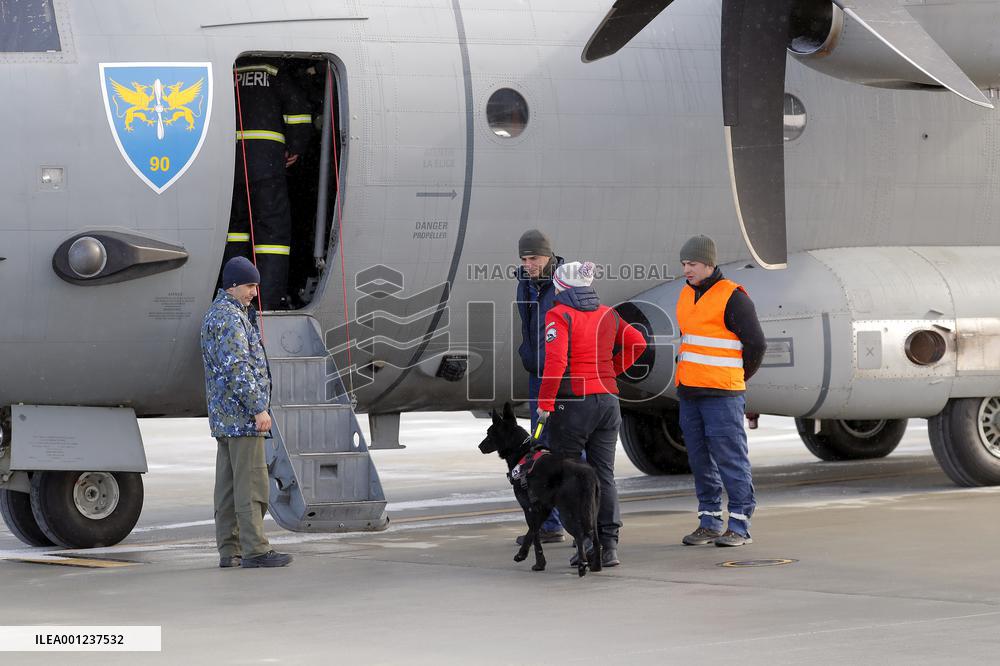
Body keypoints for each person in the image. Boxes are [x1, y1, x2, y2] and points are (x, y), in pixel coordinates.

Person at [537, 261, 647, 567]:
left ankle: (584, 541)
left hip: (574, 403)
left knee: (570, 475)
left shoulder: (559, 315)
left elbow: (556, 362)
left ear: (562, 287)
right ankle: (609, 545)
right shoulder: (608, 313)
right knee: (603, 474)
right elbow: (637, 342)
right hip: (608, 400)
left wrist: (545, 402)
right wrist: (612, 371)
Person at [674, 235, 767, 547]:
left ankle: (739, 525)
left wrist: (739, 376)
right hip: (690, 392)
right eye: (684, 264)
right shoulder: (686, 294)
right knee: (700, 460)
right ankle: (709, 521)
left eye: (693, 264)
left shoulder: (733, 297)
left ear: (709, 264)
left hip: (722, 394)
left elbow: (757, 343)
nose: (687, 269)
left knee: (730, 459)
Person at [201, 257, 293, 568]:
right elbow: (237, 367)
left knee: (227, 490)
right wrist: (258, 408)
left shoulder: (217, 314)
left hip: (225, 418)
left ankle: (230, 550)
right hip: (241, 417)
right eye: (250, 286)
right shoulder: (230, 318)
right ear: (233, 285)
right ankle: (256, 549)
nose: (254, 292)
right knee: (251, 486)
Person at [226, 57, 314, 310]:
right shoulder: (272, 71)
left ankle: (233, 299)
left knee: (235, 234)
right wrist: (296, 146)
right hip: (266, 164)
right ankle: (266, 302)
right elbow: (298, 112)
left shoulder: (228, 70)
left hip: (231, 167)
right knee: (272, 237)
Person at [515, 229, 566, 543]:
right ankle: (548, 525)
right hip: (538, 376)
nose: (527, 263)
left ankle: (584, 524)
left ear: (548, 255)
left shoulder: (564, 286)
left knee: (570, 450)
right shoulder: (525, 283)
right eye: (523, 258)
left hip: (561, 377)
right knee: (541, 448)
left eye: (533, 257)